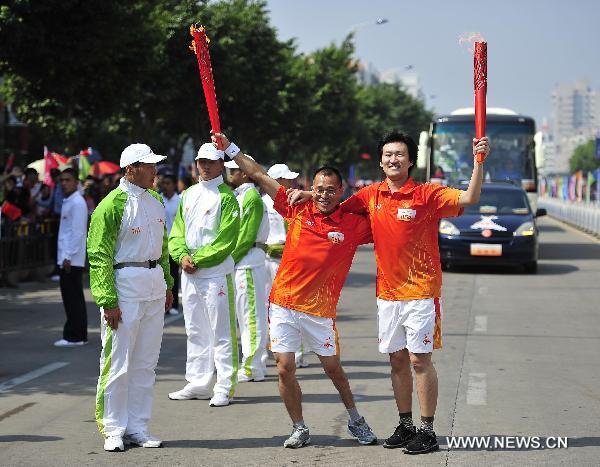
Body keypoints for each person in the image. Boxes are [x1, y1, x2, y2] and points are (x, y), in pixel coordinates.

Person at [293, 131, 490, 454]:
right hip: (387, 294)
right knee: (397, 360)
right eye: (387, 155)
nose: (392, 159)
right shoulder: (371, 195)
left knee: (419, 361)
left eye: (399, 154)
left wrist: (478, 161)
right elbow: (335, 208)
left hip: (421, 291)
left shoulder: (427, 194)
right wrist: (307, 194)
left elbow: (469, 198)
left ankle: (427, 429)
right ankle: (406, 423)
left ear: (411, 160)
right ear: (382, 160)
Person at [212, 132, 377, 449]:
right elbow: (258, 173)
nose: (325, 195)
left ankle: (356, 420)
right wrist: (230, 149)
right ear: (311, 188)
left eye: (331, 190)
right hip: (284, 303)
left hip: (320, 312)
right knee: (284, 367)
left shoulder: (354, 224)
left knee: (333, 370)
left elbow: (381, 207)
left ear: (341, 191)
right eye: (319, 189)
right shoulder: (296, 209)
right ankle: (299, 427)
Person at [87, 143, 174, 452]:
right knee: (117, 361)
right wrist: (107, 299)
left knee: (146, 362)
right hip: (124, 284)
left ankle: (138, 426)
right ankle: (113, 428)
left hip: (153, 283)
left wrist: (168, 283)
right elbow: (98, 255)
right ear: (130, 169)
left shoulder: (155, 200)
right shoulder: (111, 205)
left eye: (154, 165)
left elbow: (162, 248)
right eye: (148, 165)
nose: (155, 170)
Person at [167, 143, 240, 407]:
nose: (205, 166)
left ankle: (224, 385)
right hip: (190, 273)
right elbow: (177, 232)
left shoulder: (227, 198)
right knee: (195, 329)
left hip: (215, 273)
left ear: (221, 164)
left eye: (210, 161)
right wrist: (181, 255)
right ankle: (198, 382)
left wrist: (197, 259)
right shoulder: (188, 195)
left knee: (221, 331)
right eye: (201, 161)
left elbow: (226, 240)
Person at [224, 156, 270, 383]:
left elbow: (246, 236)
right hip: (243, 261)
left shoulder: (250, 196)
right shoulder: (241, 195)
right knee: (246, 316)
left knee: (251, 316)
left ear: (243, 173)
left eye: (232, 170)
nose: (228, 174)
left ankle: (253, 366)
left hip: (248, 259)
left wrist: (229, 260)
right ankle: (253, 364)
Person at [262, 164, 308, 368]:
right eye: (286, 179)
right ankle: (270, 349)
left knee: (291, 305)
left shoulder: (294, 202)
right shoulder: (261, 202)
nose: (290, 182)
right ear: (276, 181)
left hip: (289, 260)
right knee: (267, 307)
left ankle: (296, 353)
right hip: (265, 260)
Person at [54, 168, 89, 347]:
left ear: (76, 182)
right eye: (61, 180)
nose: (63, 183)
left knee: (73, 297)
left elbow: (77, 232)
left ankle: (75, 336)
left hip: (71, 259)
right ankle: (76, 334)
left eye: (67, 180)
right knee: (71, 297)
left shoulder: (77, 203)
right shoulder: (69, 201)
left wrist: (68, 256)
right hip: (66, 257)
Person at [160, 174, 181, 315]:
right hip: (160, 243)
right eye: (164, 183)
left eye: (168, 183)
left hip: (174, 243)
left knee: (173, 274)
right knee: (160, 275)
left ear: (174, 185)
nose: (165, 186)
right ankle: (162, 304)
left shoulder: (179, 201)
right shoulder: (157, 199)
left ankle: (173, 305)